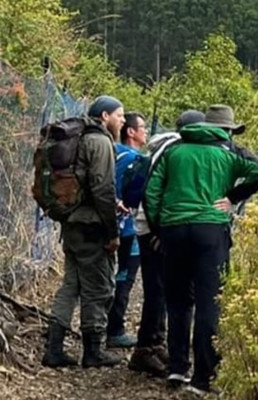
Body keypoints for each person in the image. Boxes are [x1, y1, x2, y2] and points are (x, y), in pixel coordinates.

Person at [144, 105, 258, 394]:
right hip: (210, 231)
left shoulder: (174, 151)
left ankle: (177, 368)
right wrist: (232, 196)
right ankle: (204, 377)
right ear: (224, 130)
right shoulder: (228, 153)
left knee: (177, 300)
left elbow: (151, 193)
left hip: (174, 231)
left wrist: (158, 230)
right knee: (209, 301)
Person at [42, 95, 124, 369]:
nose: (122, 121)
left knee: (71, 285)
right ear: (104, 116)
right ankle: (93, 351)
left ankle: (54, 349)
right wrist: (112, 231)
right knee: (98, 288)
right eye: (119, 115)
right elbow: (102, 188)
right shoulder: (99, 142)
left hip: (71, 223)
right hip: (92, 226)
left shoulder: (78, 140)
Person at [126, 109, 205, 378]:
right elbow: (152, 193)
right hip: (154, 231)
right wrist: (159, 232)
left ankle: (154, 345)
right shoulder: (173, 151)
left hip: (149, 228)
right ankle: (146, 349)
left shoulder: (165, 148)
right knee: (158, 290)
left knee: (159, 290)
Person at [106, 111, 147, 349]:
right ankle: (116, 329)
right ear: (131, 131)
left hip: (106, 223)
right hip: (128, 227)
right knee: (125, 277)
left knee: (107, 276)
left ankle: (101, 325)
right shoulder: (134, 157)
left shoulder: (112, 151)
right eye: (142, 128)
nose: (146, 132)